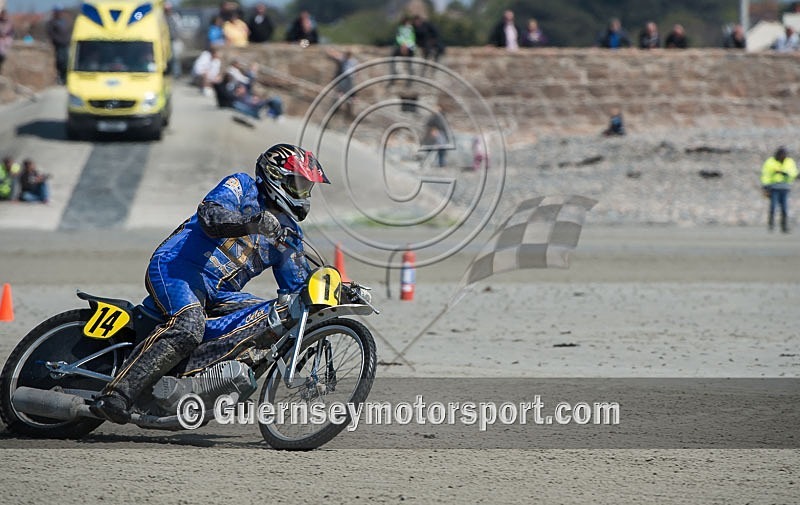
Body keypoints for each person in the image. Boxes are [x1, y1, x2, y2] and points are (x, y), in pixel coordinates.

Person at [90, 144, 330, 424]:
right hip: (177, 268)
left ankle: (200, 382)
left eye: (307, 187)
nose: (303, 194)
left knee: (276, 315)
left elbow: (295, 289)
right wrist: (253, 222)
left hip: (219, 294)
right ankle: (117, 394)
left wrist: (334, 292)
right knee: (188, 325)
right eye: (298, 184)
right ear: (276, 177)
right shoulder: (241, 185)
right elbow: (210, 216)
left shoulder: (289, 233)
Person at [760, 147, 798, 233]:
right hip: (774, 188)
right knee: (773, 207)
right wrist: (765, 186)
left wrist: (785, 173)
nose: (782, 156)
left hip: (785, 187)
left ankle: (784, 226)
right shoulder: (770, 162)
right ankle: (771, 225)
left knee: (784, 208)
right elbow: (766, 174)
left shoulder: (789, 162)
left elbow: (793, 172)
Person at [326, 48, 357, 117]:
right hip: (344, 78)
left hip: (349, 79)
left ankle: (348, 112)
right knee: (339, 94)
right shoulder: (343, 59)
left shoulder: (352, 61)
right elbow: (334, 55)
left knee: (349, 96)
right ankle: (335, 109)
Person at [46, 6, 71, 84]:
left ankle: (66, 77)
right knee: (60, 61)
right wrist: (57, 40)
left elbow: (68, 31)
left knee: (66, 61)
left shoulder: (65, 21)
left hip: (66, 44)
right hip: (58, 45)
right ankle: (60, 77)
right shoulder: (52, 22)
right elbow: (51, 33)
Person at [164, 2, 183, 78]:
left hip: (174, 40)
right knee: (166, 57)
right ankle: (167, 72)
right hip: (165, 40)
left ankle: (177, 73)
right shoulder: (162, 17)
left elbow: (179, 28)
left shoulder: (175, 17)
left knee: (176, 57)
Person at [0, 9, 13, 74]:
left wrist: (5, 36)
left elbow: (10, 32)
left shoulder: (9, 23)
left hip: (5, 41)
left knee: (3, 55)